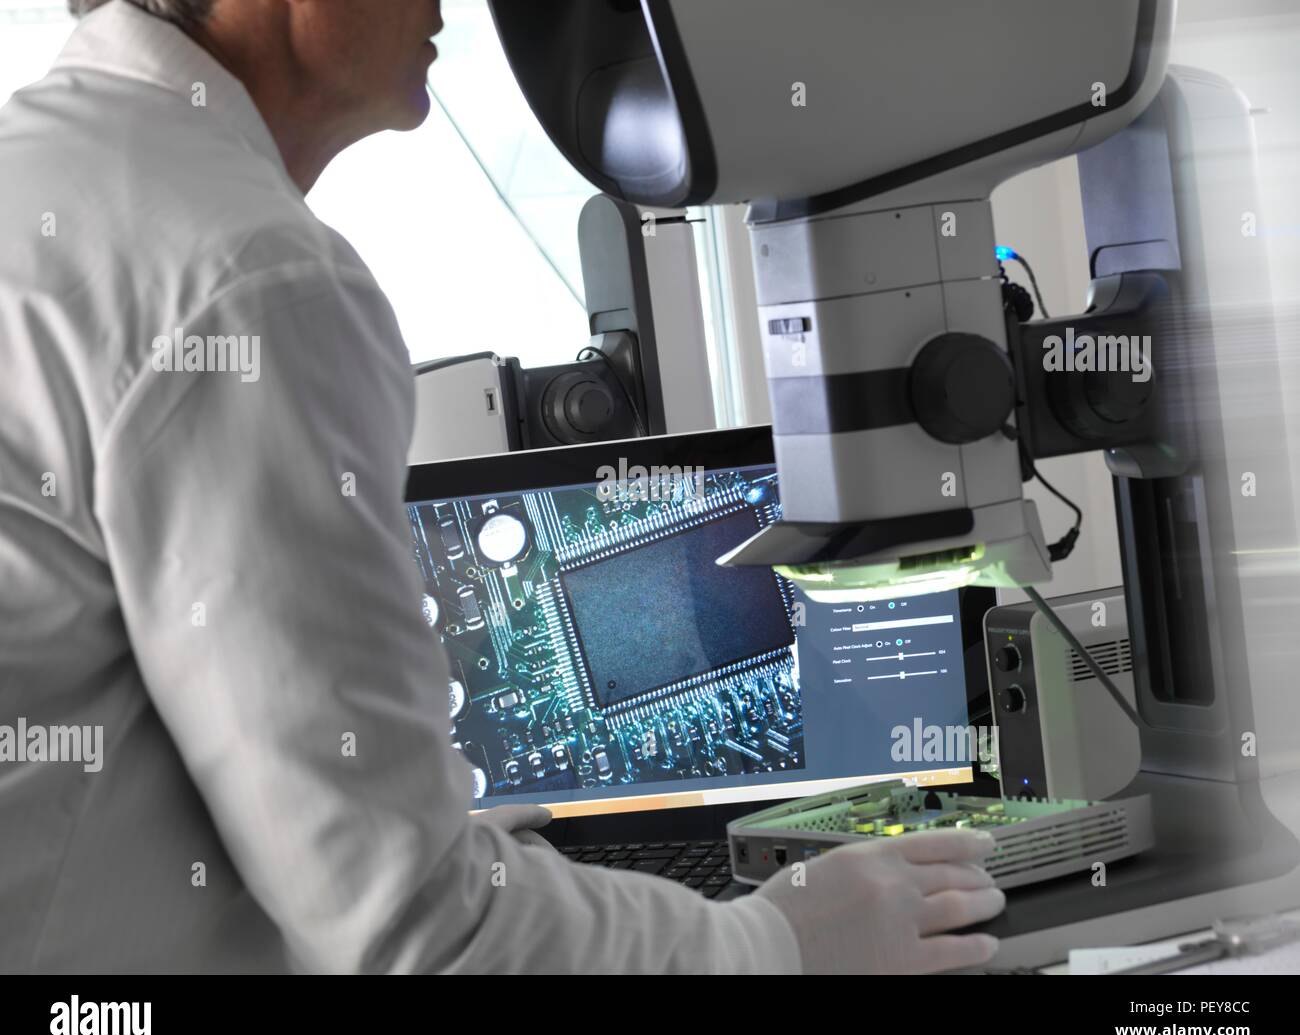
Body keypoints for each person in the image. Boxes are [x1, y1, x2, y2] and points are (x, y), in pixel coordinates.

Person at [0, 0, 1005, 974]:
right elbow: (420, 937)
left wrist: (416, 822)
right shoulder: (245, 276)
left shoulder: (51, 176)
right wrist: (778, 945)